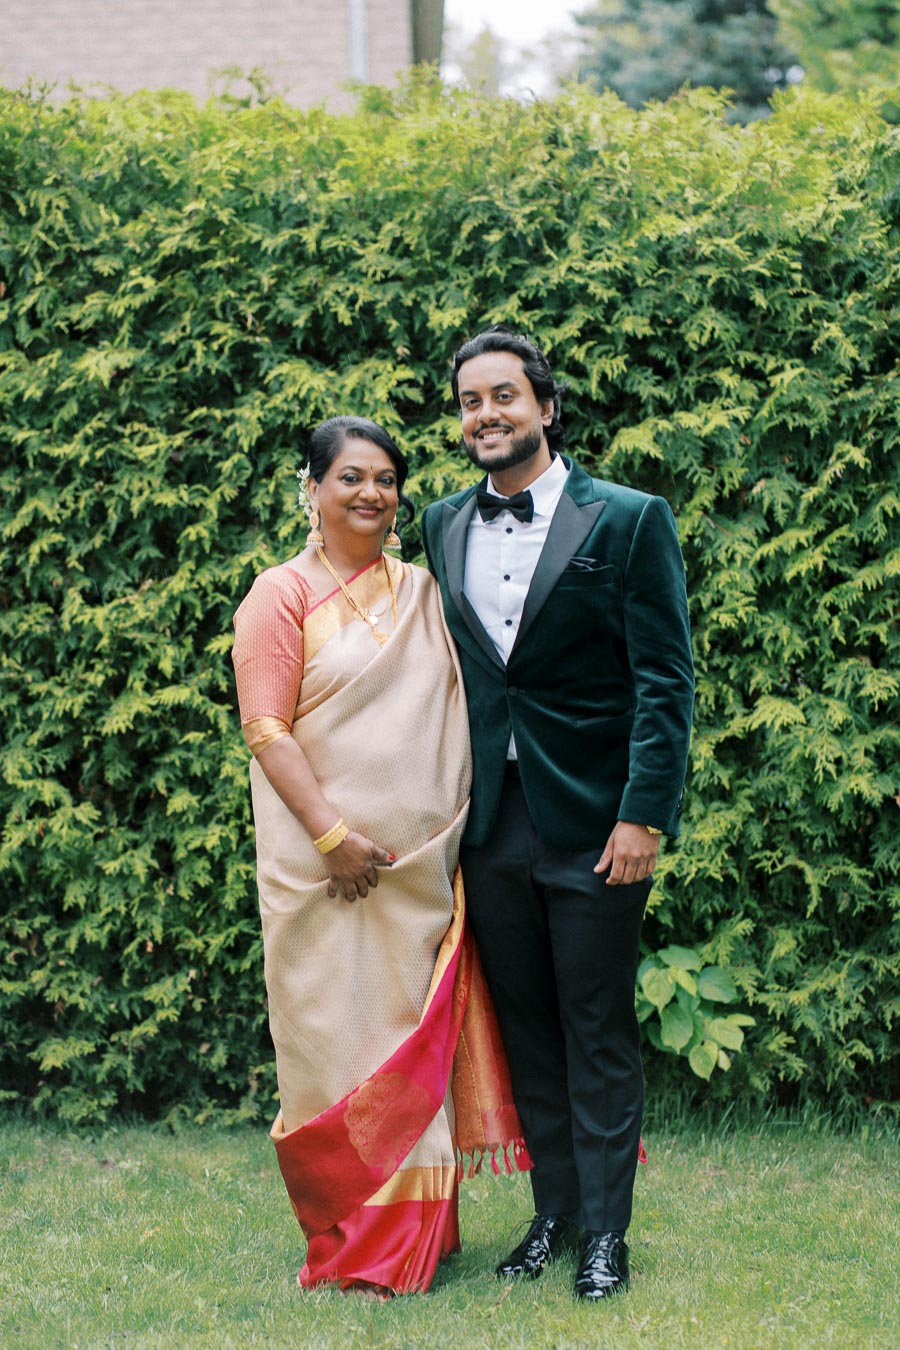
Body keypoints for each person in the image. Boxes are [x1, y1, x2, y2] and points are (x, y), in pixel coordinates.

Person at [422, 327, 694, 1301]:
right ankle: (555, 1212)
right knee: (529, 1032)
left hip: (596, 824)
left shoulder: (627, 519)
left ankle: (607, 1235)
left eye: (504, 395)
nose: (486, 414)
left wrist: (644, 815)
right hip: (492, 824)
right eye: (470, 401)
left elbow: (665, 680)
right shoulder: (441, 524)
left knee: (596, 1028)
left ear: (546, 405)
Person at [231, 415, 527, 1298]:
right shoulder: (279, 594)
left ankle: (418, 1239)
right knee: (333, 1049)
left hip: (419, 877)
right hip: (322, 879)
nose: (371, 493)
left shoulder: (426, 593)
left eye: (386, 480)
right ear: (312, 489)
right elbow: (265, 729)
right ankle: (350, 1243)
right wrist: (333, 839)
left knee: (408, 1040)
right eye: (351, 477)